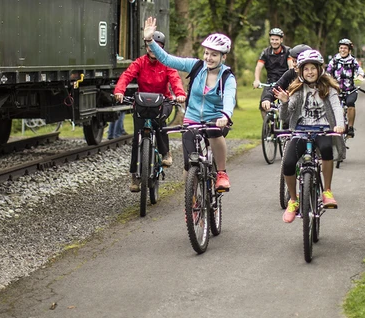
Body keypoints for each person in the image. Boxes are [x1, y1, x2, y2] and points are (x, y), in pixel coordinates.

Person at [142, 17, 236, 192]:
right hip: (192, 118)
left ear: (223, 57)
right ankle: (191, 199)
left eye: (214, 55)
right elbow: (167, 59)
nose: (208, 58)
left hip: (215, 120)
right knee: (189, 164)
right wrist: (149, 41)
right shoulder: (196, 66)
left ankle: (221, 173)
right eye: (206, 53)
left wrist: (225, 115)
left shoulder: (227, 77)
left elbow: (229, 98)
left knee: (214, 133)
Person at [273, 49, 345, 223]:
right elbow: (285, 116)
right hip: (301, 130)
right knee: (288, 163)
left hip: (323, 129)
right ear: (300, 71)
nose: (310, 72)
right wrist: (284, 102)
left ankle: (327, 191)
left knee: (326, 149)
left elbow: (336, 106)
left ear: (320, 69)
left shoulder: (328, 88)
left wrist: (340, 124)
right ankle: (293, 200)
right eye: (306, 69)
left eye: (313, 68)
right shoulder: (297, 89)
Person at [113, 31, 186, 192]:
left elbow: (175, 79)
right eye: (151, 46)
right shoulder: (139, 62)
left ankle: (165, 153)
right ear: (146, 47)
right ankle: (135, 175)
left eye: (158, 46)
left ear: (162, 48)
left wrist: (180, 94)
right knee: (136, 138)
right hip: (142, 102)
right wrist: (119, 91)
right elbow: (126, 76)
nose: (153, 49)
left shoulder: (166, 63)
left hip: (163, 101)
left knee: (160, 122)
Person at [325, 38, 365, 137]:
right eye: (341, 48)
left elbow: (360, 71)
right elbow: (327, 72)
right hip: (336, 89)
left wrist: (360, 76)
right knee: (331, 105)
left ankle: (350, 127)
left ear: (349, 50)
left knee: (350, 103)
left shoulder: (352, 61)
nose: (343, 50)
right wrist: (328, 79)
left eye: (345, 48)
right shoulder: (334, 60)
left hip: (349, 89)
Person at [260, 43, 311, 113]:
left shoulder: (318, 78)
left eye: (296, 61)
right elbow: (277, 88)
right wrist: (267, 99)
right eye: (293, 61)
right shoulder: (291, 73)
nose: (294, 64)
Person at [252, 27, 292, 111]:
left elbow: (291, 67)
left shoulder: (288, 51)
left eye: (276, 39)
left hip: (285, 81)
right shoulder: (265, 52)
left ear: (281, 40)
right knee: (263, 104)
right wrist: (256, 80)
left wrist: (291, 80)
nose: (274, 42)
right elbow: (258, 67)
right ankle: (267, 118)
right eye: (272, 39)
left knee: (289, 104)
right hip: (270, 81)